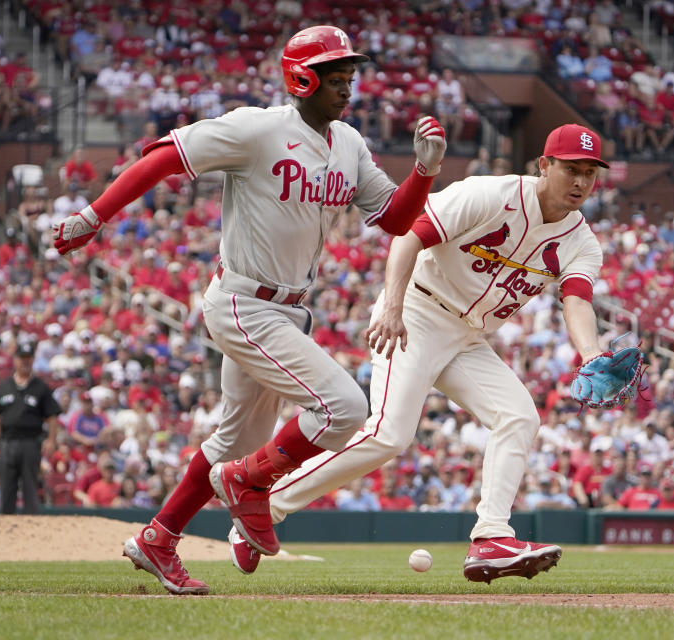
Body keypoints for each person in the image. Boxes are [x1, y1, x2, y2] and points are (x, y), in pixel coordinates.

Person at [51, 25, 446, 596]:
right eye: (336, 78)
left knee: (232, 442)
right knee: (344, 407)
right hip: (243, 302)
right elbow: (165, 158)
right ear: (301, 79)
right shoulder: (257, 129)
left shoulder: (350, 143)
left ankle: (158, 539)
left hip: (286, 311)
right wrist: (94, 216)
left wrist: (425, 172)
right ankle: (248, 483)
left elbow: (392, 218)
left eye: (350, 77)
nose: (347, 88)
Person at [250, 123, 610, 583]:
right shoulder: (489, 194)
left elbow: (577, 300)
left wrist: (593, 353)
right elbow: (410, 236)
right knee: (388, 434)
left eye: (590, 173)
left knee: (519, 415)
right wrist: (394, 305)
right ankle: (267, 505)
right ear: (545, 165)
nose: (581, 182)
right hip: (418, 311)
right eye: (571, 169)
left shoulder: (581, 241)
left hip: (468, 337)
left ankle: (491, 538)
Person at [0, 342, 61, 514]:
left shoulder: (41, 387)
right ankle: (5, 520)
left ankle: (31, 525)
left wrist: (51, 440)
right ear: (15, 360)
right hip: (7, 442)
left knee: (30, 485)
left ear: (33, 360)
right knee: (6, 485)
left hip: (31, 442)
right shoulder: (4, 386)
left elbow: (52, 416)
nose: (25, 362)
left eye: (28, 358)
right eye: (22, 358)